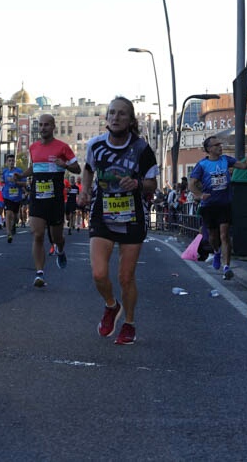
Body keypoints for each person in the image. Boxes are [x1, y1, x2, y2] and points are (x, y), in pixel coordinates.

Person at [79, 97, 158, 346]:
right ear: (106, 118)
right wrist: (85, 190)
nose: (116, 117)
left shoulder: (142, 149)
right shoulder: (95, 145)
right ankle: (111, 306)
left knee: (126, 277)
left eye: (122, 114)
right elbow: (88, 169)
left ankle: (129, 323)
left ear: (131, 120)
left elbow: (152, 183)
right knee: (99, 273)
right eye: (112, 112)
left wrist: (136, 183)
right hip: (102, 212)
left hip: (132, 215)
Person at [17, 114, 80, 287]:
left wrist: (65, 165)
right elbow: (35, 167)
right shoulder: (33, 147)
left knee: (56, 237)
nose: (43, 128)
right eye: (41, 125)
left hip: (56, 199)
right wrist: (22, 174)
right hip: (37, 197)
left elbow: (77, 168)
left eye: (46, 125)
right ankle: (39, 273)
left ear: (53, 127)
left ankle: (60, 250)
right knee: (37, 234)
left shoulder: (63, 147)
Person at [189, 136, 247, 280]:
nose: (220, 147)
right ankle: (216, 251)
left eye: (220, 144)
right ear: (209, 149)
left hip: (224, 204)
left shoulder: (226, 160)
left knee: (224, 235)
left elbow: (244, 166)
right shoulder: (202, 165)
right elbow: (192, 184)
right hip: (209, 205)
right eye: (216, 145)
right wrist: (200, 195)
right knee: (213, 237)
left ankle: (226, 267)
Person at [0, 154, 24, 243]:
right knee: (8, 213)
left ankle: (14, 224)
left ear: (15, 162)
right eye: (9, 161)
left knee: (16, 216)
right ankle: (8, 233)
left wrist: (16, 181)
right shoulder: (5, 171)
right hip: (7, 196)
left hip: (17, 197)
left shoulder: (19, 171)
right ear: (7, 162)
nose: (11, 162)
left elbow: (24, 184)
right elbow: (2, 180)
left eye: (13, 161)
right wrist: (2, 180)